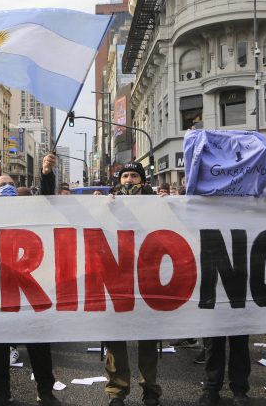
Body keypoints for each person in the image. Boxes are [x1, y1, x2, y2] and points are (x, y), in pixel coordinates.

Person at [0, 159, 61, 406]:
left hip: (31, 288)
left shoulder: (28, 209)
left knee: (38, 344)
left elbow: (48, 199)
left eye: (11, 184)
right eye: (2, 185)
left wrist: (46, 174)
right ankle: (1, 392)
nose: (8, 187)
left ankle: (45, 391)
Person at [102, 162, 161, 406]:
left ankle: (150, 389)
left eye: (134, 175)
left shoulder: (157, 204)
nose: (129, 179)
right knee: (116, 339)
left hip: (149, 278)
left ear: (142, 180)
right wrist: (100, 207)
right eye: (125, 175)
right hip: (118, 279)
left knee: (148, 339)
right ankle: (117, 391)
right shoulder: (108, 203)